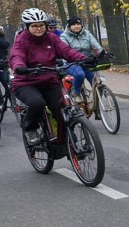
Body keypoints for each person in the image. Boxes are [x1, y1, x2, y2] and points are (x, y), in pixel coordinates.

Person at [9, 8, 91, 146]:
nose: (39, 28)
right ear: (27, 27)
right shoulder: (22, 40)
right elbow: (16, 55)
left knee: (61, 108)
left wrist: (84, 58)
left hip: (49, 80)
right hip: (26, 82)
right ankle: (31, 129)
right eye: (34, 26)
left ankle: (66, 139)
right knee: (37, 103)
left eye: (41, 25)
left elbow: (67, 51)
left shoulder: (52, 38)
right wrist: (19, 66)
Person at [59, 17, 103, 103]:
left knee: (95, 80)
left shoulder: (87, 33)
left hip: (87, 61)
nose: (77, 26)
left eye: (78, 24)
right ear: (69, 26)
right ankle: (77, 93)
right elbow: (66, 51)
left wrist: (102, 54)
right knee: (80, 75)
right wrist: (80, 58)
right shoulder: (64, 36)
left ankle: (97, 106)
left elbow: (95, 45)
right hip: (72, 62)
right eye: (74, 24)